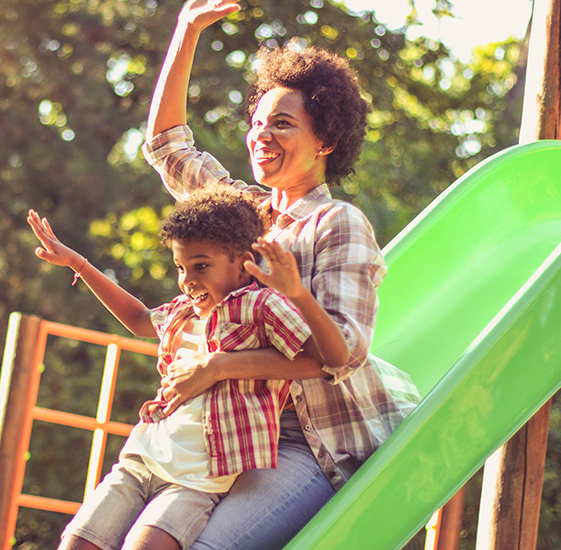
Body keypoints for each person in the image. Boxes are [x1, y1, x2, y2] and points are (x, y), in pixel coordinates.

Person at [141, 1, 421, 549]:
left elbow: (339, 356)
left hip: (305, 438)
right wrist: (186, 30)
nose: (261, 134)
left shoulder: (338, 225)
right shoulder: (239, 213)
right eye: (257, 122)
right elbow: (168, 146)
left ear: (326, 142)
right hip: (229, 426)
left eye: (283, 124)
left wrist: (217, 366)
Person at [26, 184, 350, 550]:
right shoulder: (184, 310)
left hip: (197, 482)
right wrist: (78, 264)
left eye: (201, 266)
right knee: (77, 543)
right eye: (181, 267)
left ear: (244, 263)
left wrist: (294, 295)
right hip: (141, 461)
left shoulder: (261, 307)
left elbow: (321, 360)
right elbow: (138, 318)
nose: (188, 279)